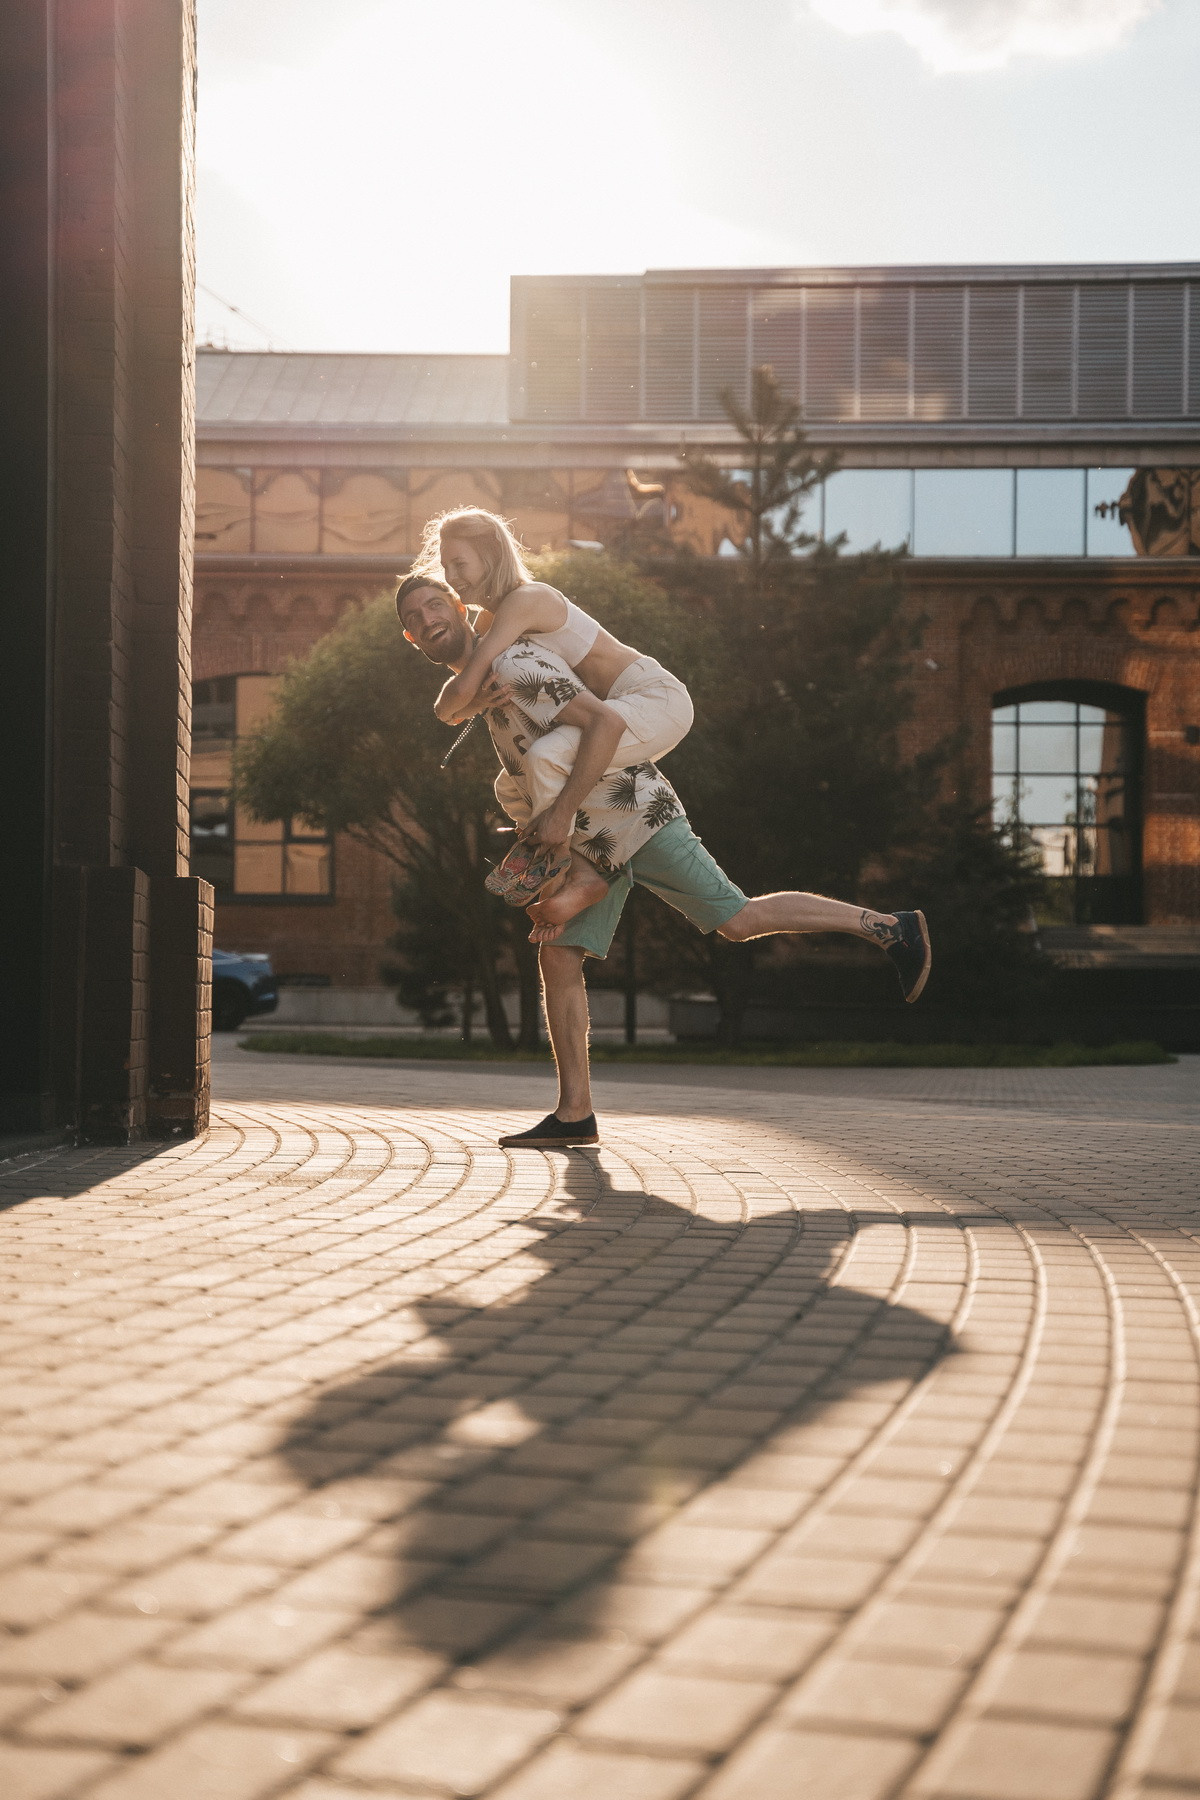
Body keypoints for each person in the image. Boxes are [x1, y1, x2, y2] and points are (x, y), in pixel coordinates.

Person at [397, 574, 933, 1151]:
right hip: (589, 844)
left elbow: (605, 722)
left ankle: (889, 927)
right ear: (412, 639)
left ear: (460, 607)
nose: (430, 619)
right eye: (417, 617)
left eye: (436, 604)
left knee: (738, 919)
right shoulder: (482, 691)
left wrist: (560, 826)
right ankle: (575, 1113)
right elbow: (476, 729)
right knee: (556, 954)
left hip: (637, 817)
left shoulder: (517, 663)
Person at [411, 508, 694, 925]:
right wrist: (467, 706)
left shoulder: (524, 602)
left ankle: (569, 863)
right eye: (446, 565)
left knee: (545, 754)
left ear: (490, 555)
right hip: (613, 707)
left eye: (460, 564)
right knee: (510, 785)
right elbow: (455, 706)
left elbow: (463, 690)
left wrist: (460, 705)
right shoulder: (491, 619)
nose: (451, 576)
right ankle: (579, 868)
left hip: (652, 697)